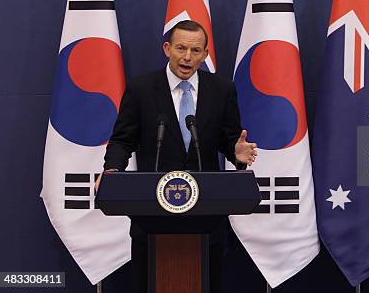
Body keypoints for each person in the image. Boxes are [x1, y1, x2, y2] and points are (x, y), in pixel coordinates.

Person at [96, 19, 257, 293]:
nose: (187, 57)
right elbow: (123, 139)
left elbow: (229, 140)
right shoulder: (142, 88)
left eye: (195, 51)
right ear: (167, 48)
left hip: (207, 218)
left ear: (205, 54)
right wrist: (111, 171)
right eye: (180, 48)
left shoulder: (221, 90)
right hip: (152, 218)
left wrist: (237, 153)